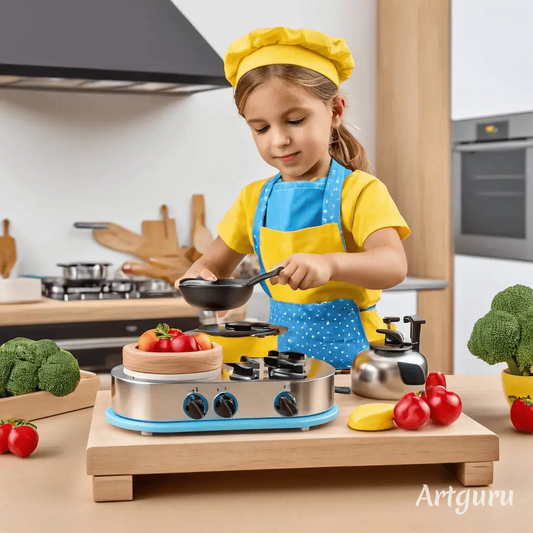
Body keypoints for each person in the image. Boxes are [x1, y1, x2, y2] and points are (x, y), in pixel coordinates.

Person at [177, 27, 410, 370]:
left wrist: (329, 265)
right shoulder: (253, 199)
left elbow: (394, 265)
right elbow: (213, 266)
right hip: (280, 362)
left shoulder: (360, 191)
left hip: (355, 365)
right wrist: (199, 281)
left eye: (295, 120)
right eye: (261, 128)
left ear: (335, 112)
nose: (280, 140)